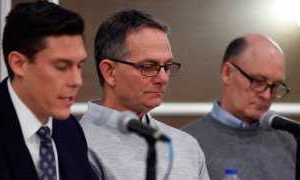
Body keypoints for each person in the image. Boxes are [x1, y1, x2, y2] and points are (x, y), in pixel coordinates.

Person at [79, 9, 209, 180]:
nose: (163, 78)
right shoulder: (78, 146)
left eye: (167, 67)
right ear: (110, 72)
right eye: (148, 67)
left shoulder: (186, 145)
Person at [0, 1, 98, 179]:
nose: (77, 81)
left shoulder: (70, 128)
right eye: (61, 66)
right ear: (19, 64)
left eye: (79, 66)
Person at [182, 34, 296, 180]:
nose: (267, 95)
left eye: (276, 85)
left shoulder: (291, 141)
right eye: (258, 81)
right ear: (227, 73)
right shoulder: (187, 145)